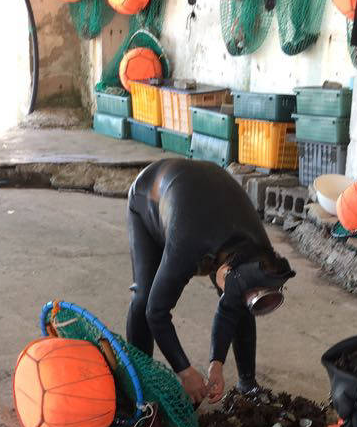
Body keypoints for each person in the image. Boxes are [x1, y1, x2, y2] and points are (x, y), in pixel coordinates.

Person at [126, 158, 295, 405]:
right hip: (149, 196)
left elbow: (234, 308)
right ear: (223, 269)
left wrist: (216, 364)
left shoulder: (260, 249)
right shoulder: (188, 243)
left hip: (201, 194)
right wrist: (184, 370)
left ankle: (248, 383)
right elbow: (157, 313)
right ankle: (137, 385)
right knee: (145, 297)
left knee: (244, 299)